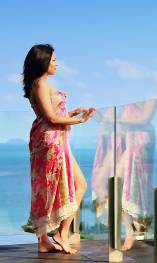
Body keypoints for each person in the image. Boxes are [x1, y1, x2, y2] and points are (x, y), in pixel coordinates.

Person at [23, 44, 95, 254]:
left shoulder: (42, 83)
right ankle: (57, 235)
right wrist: (80, 121)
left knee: (55, 187)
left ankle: (49, 238)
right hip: (50, 142)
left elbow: (53, 114)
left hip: (53, 140)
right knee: (55, 188)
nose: (56, 63)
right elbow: (51, 118)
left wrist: (73, 113)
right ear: (43, 61)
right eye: (53, 59)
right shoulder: (39, 84)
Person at [118, 101, 157, 251]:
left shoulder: (149, 94)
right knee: (120, 183)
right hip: (131, 139)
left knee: (135, 185)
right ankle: (132, 230)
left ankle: (133, 231)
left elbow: (145, 118)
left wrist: (118, 120)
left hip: (142, 140)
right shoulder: (130, 95)